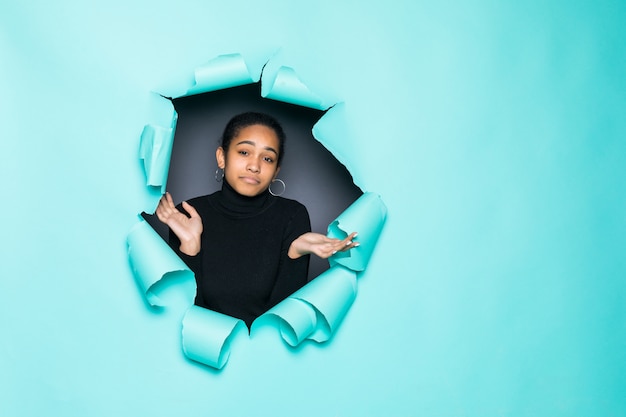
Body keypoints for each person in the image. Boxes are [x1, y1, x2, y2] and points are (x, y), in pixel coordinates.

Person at [156, 112, 358, 328]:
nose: (255, 166)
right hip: (203, 351)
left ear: (275, 170)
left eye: (267, 158)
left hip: (264, 356)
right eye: (244, 152)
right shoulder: (189, 214)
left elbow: (280, 324)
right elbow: (184, 317)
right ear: (222, 157)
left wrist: (295, 254)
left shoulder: (292, 215)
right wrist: (190, 248)